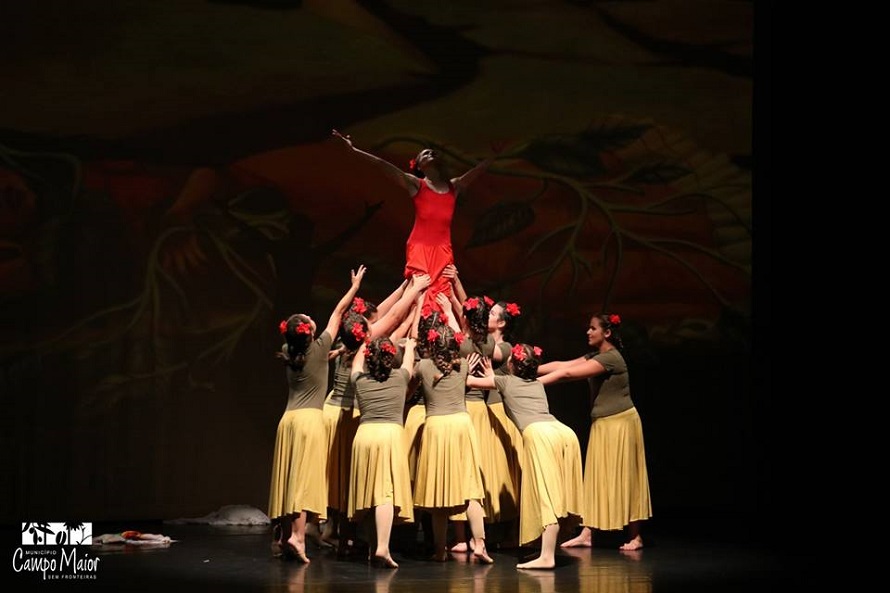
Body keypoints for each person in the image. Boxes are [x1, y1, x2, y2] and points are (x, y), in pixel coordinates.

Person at [322, 274, 430, 553]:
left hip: (334, 410)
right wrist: (415, 293)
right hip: (349, 417)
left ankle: (336, 532)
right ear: (366, 332)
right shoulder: (366, 349)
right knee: (346, 479)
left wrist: (404, 288)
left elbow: (384, 315)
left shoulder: (348, 342)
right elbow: (392, 318)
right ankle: (342, 534)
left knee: (338, 477)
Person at [331, 129, 496, 313]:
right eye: (424, 153)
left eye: (432, 152)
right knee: (419, 294)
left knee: (442, 295)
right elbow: (382, 164)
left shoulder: (454, 186)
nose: (429, 153)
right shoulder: (416, 184)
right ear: (418, 165)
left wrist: (493, 156)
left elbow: (477, 171)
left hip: (443, 249)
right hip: (419, 247)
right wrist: (354, 150)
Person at [268, 264, 366, 562]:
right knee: (303, 481)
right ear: (310, 333)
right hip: (310, 422)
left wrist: (332, 353)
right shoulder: (319, 347)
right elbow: (338, 313)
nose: (313, 319)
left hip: (288, 421)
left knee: (288, 479)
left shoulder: (290, 350)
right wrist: (354, 287)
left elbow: (314, 359)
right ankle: (298, 537)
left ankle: (283, 536)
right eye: (309, 320)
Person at [537, 313, 652, 551]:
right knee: (596, 477)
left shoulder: (611, 358)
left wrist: (531, 384)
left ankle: (636, 536)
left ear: (606, 332)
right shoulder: (596, 356)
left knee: (628, 477)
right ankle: (588, 533)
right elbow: (563, 365)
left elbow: (568, 374)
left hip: (621, 424)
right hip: (602, 424)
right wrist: (530, 370)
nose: (588, 332)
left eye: (592, 328)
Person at [466, 344, 584, 569]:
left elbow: (469, 382)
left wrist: (467, 368)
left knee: (546, 494)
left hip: (540, 434)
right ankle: (548, 549)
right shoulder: (537, 384)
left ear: (512, 365)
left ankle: (547, 557)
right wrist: (492, 376)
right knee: (557, 493)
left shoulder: (505, 381)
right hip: (563, 432)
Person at [411, 318, 493, 564]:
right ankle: (480, 544)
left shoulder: (423, 366)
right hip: (461, 426)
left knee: (440, 494)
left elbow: (410, 390)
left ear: (431, 344)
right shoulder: (464, 366)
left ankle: (440, 551)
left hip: (437, 428)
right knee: (470, 489)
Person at [347, 336, 418, 568]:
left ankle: (372, 548)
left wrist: (364, 343)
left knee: (371, 494)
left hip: (365, 436)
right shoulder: (400, 377)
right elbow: (409, 361)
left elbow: (356, 363)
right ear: (390, 358)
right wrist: (410, 346)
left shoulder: (358, 380)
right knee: (385, 492)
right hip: (389, 436)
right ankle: (383, 547)